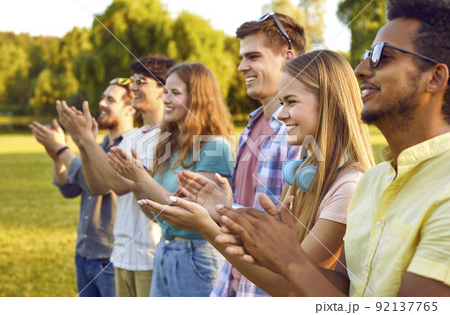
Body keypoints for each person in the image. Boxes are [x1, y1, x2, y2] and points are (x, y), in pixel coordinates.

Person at [216, 0, 450, 297]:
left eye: (381, 56)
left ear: (435, 78)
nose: (360, 69)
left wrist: (289, 259)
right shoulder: (373, 182)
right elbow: (345, 286)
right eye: (366, 54)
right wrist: (286, 254)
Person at [139, 49, 376, 296]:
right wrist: (224, 211)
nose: (281, 114)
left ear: (329, 102)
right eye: (281, 103)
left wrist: (207, 227)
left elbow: (287, 284)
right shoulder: (304, 174)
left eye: (291, 102)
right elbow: (274, 256)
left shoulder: (348, 187)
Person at [168, 12, 306, 297]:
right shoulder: (250, 128)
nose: (242, 67)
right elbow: (244, 213)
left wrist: (209, 222)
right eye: (242, 58)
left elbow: (297, 232)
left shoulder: (300, 133)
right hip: (233, 284)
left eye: (253, 57)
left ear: (288, 58)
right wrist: (220, 210)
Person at [108, 62, 235, 297]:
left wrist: (140, 178)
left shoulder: (215, 147)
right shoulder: (170, 146)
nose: (165, 99)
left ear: (199, 99)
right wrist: (137, 185)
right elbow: (161, 218)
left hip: (196, 257)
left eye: (174, 93)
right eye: (165, 91)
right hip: (165, 250)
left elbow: (187, 214)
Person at [57, 55, 176, 297]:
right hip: (120, 256)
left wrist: (87, 140)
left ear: (163, 89)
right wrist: (83, 143)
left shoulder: (168, 138)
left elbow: (121, 185)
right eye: (133, 81)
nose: (133, 87)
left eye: (141, 82)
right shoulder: (131, 137)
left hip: (148, 258)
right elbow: (99, 185)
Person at [29, 78, 135, 296]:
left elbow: (100, 186)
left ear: (130, 109)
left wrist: (61, 148)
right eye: (103, 97)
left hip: (110, 257)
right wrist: (57, 158)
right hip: (84, 253)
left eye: (111, 99)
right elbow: (70, 190)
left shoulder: (130, 147)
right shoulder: (100, 145)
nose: (102, 103)